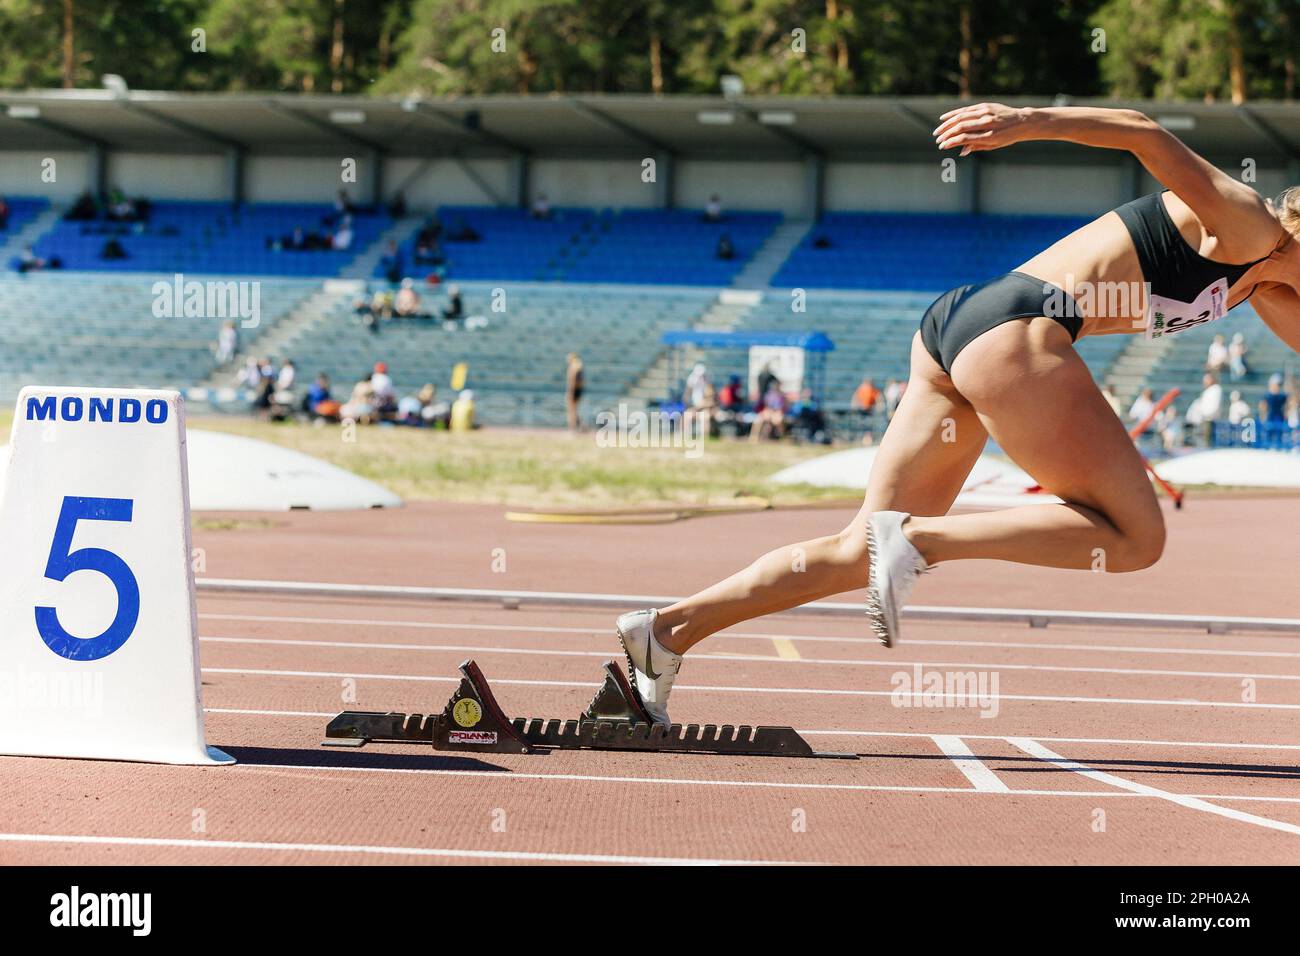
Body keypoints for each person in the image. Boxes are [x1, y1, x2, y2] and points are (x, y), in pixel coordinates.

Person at [609, 101, 1300, 725]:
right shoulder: (1248, 225)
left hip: (960, 329)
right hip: (1019, 332)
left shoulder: (1262, 282)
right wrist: (1028, 122)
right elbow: (1143, 133)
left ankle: (666, 631)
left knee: (858, 550)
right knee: (1134, 537)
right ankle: (919, 540)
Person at [1259, 374, 1289, 447]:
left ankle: (1279, 445)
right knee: (1269, 431)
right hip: (1271, 415)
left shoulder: (1282, 396)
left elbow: (1287, 405)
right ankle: (1268, 445)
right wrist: (1263, 415)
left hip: (1279, 415)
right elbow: (1263, 405)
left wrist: (1286, 413)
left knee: (1279, 432)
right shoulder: (1267, 395)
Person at [565, 353, 585, 432]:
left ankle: (573, 427)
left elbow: (573, 381)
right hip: (578, 390)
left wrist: (571, 392)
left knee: (572, 410)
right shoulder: (579, 366)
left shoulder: (574, 366)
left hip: (575, 390)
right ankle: (579, 426)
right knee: (574, 410)